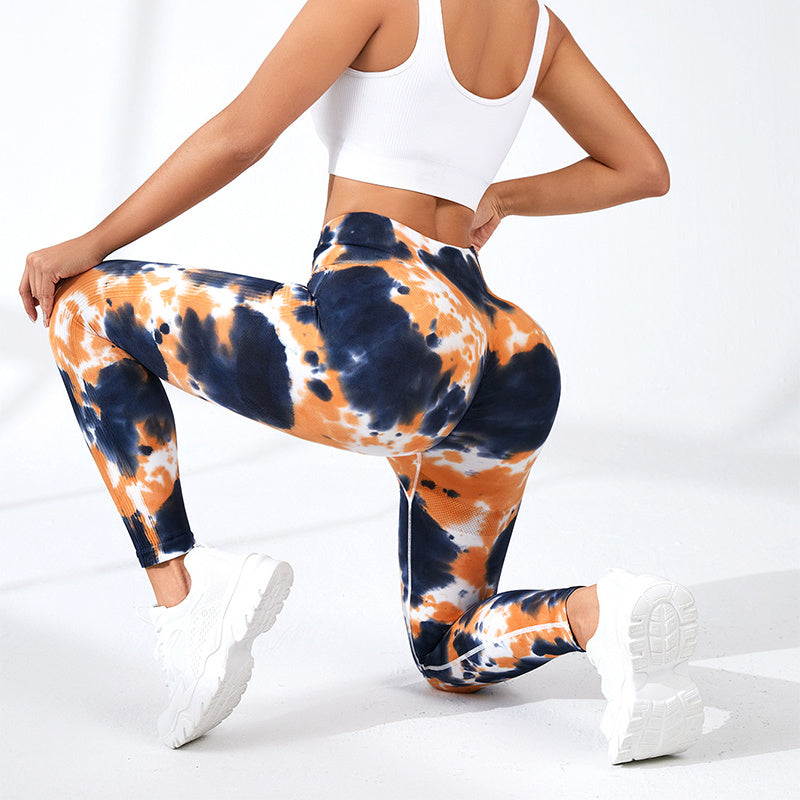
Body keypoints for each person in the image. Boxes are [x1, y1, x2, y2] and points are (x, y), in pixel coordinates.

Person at [19, 0, 703, 762]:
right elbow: (642, 168)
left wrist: (91, 241)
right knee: (445, 648)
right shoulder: (536, 24)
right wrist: (503, 197)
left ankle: (183, 597)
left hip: (390, 328)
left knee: (83, 306)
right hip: (505, 351)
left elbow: (241, 136)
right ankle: (600, 615)